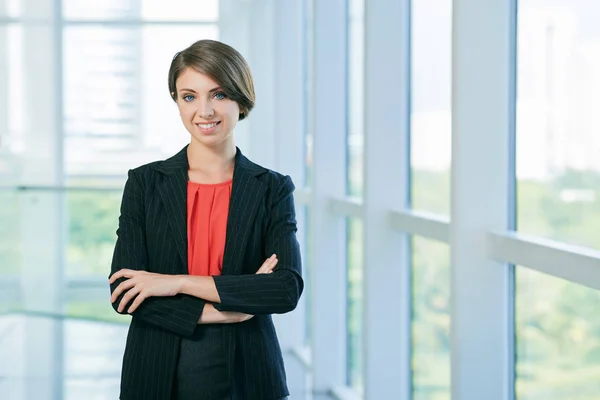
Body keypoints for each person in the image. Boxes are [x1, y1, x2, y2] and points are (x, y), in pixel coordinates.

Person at [108, 39, 303, 400]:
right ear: (176, 101)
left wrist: (174, 282)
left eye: (219, 94)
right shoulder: (145, 183)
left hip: (249, 373)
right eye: (189, 96)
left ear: (241, 101)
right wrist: (233, 310)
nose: (205, 111)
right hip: (156, 370)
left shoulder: (272, 188)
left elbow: (285, 289)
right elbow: (124, 292)